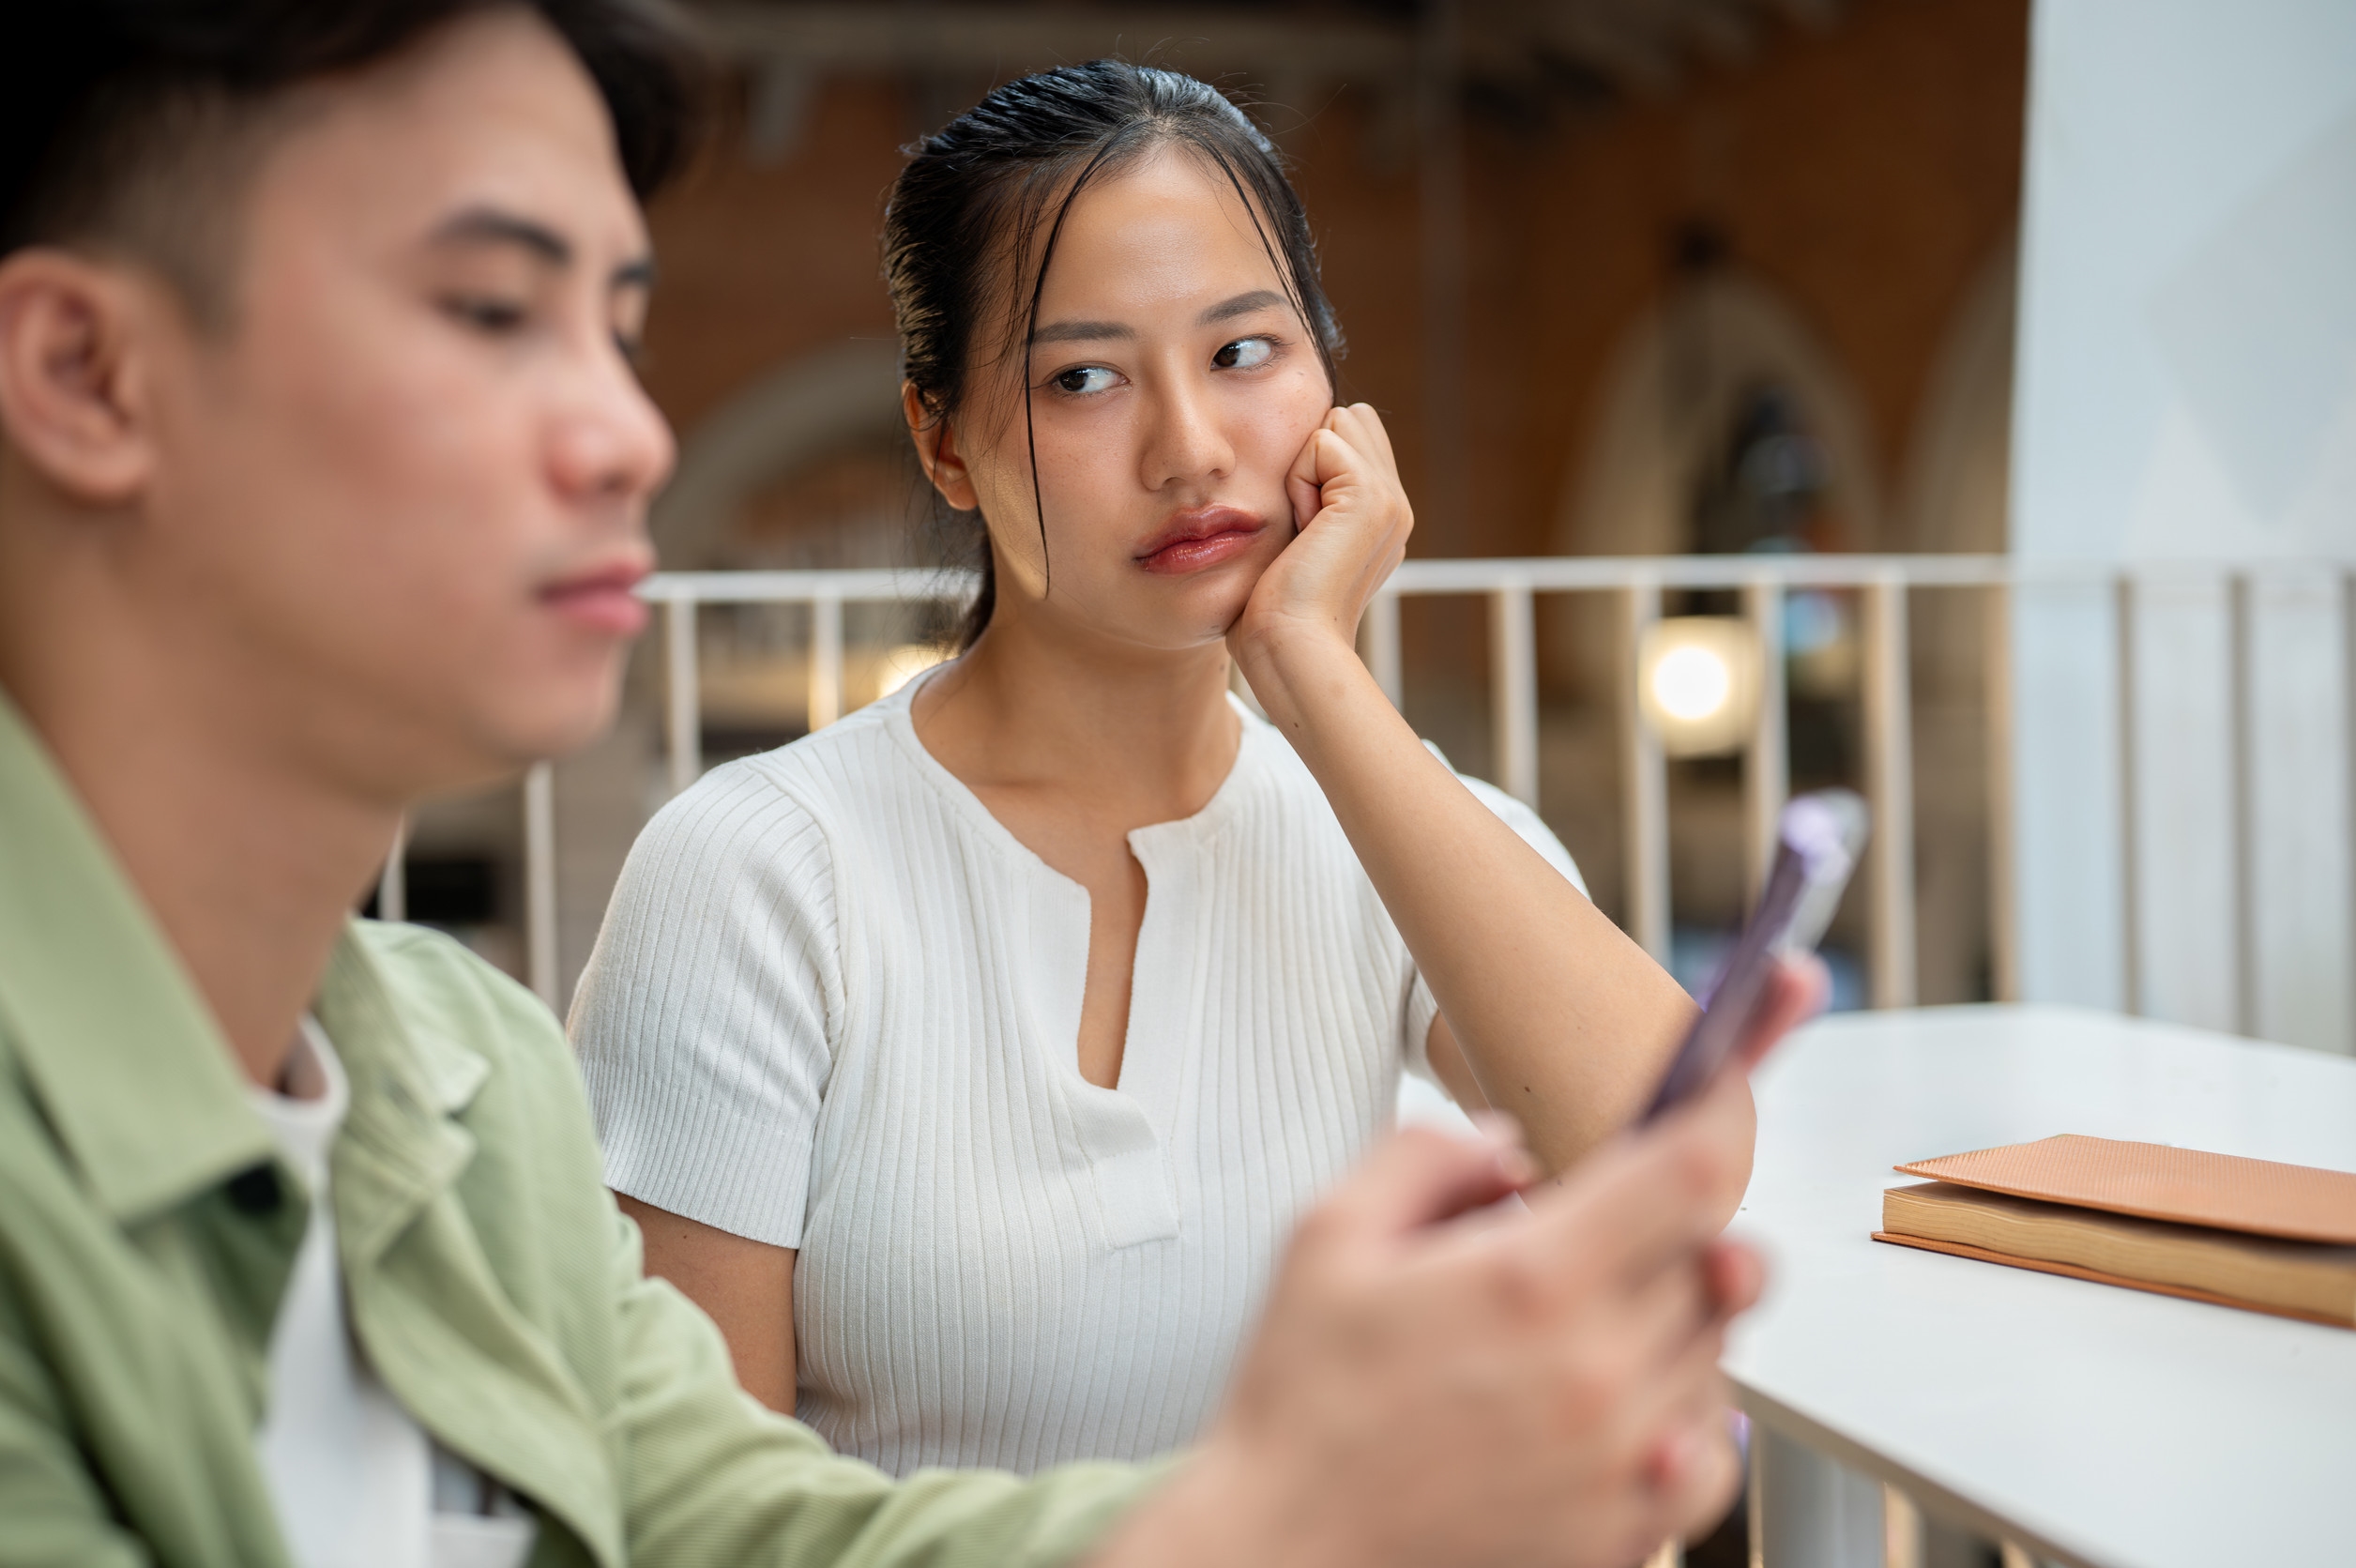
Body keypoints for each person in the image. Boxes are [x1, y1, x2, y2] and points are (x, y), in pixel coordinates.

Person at [0, 6, 1818, 1567]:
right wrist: (1302, 1503)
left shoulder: (460, 1077)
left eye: (613, 327)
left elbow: (734, 1524)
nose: (632, 435)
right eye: (489, 309)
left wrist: (1324, 1499)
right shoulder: (749, 879)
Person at [570, 61, 1721, 1477]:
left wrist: (1311, 669)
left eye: (1243, 352)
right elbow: (697, 1515)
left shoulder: (1397, 824)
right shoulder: (757, 875)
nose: (1190, 452)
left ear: (1330, 389)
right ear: (943, 441)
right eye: (1084, 378)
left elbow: (1673, 1171)